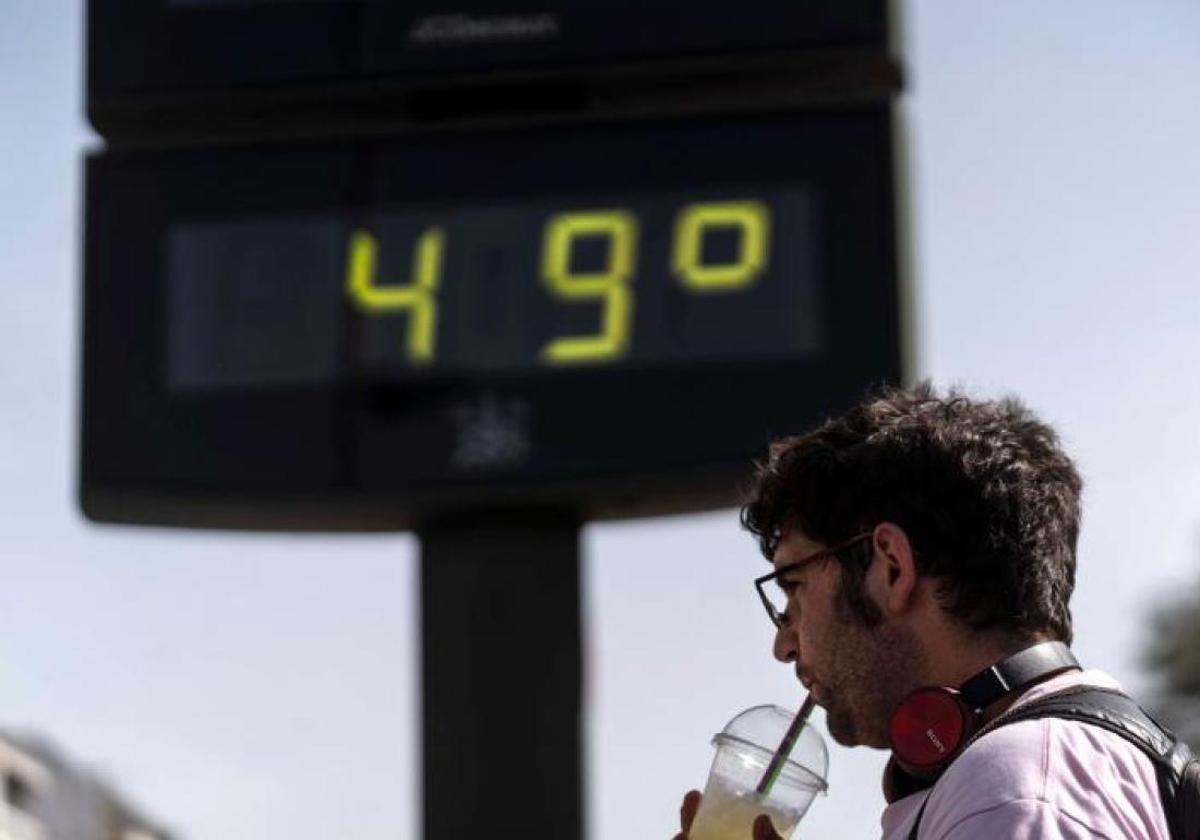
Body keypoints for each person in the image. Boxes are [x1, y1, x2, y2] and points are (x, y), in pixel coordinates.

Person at [673, 384, 1171, 840]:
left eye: (795, 587)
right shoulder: (1056, 770)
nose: (783, 644)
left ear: (891, 567)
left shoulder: (1014, 790)